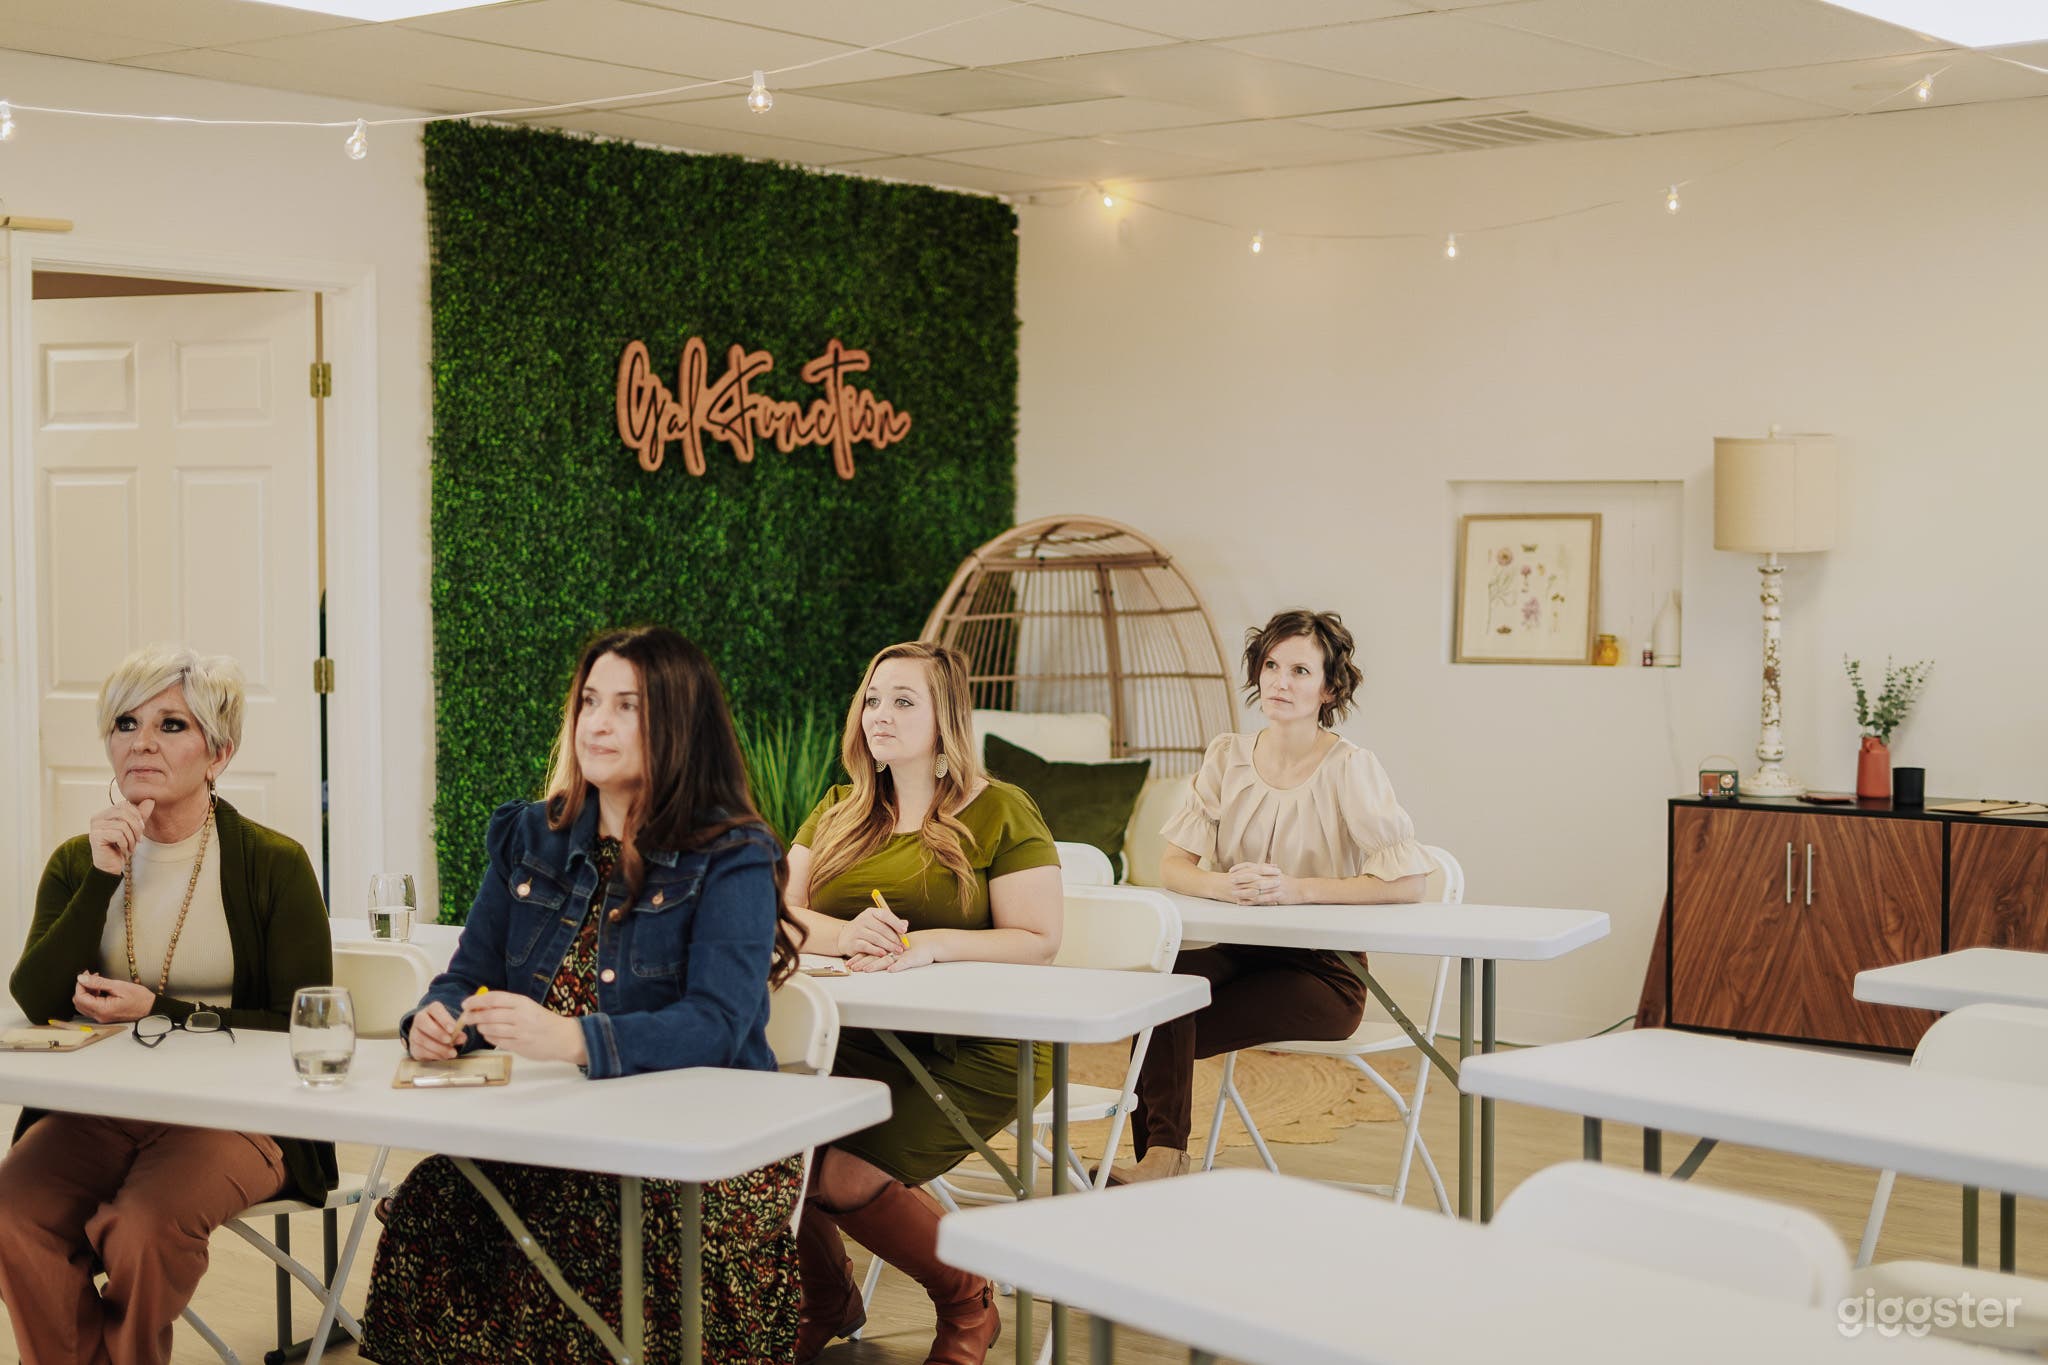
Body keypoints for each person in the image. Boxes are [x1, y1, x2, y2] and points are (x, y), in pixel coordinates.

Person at [360, 626, 805, 1365]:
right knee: (438, 1198)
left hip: (700, 1142)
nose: (596, 723)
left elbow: (719, 1025)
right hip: (550, 1128)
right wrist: (436, 1020)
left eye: (627, 706)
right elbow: (470, 973)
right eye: (589, 701)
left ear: (679, 722)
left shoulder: (732, 854)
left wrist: (573, 1040)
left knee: (591, 1228)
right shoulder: (529, 835)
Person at [0, 644, 335, 1365]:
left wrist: (161, 1008)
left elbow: (302, 1020)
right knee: (10, 1211)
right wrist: (100, 877)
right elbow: (32, 997)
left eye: (171, 724)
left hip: (238, 1110)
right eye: (126, 722)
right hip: (104, 1106)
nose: (143, 741)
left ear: (219, 752)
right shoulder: (76, 860)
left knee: (145, 1225)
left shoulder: (273, 864)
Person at [785, 641, 1062, 1365]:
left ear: (947, 721)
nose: (880, 714)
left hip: (982, 1046)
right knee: (765, 1139)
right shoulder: (839, 812)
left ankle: (966, 1297)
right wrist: (845, 932)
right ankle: (828, 1298)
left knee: (837, 1168)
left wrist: (932, 943)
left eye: (905, 701)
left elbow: (1040, 938)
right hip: (857, 1036)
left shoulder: (1001, 807)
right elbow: (774, 914)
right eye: (873, 698)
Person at [1126, 608, 1432, 1183]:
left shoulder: (1350, 768)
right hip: (1241, 952)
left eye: (1299, 670)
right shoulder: (1227, 756)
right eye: (1270, 665)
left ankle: (1160, 1165)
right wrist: (1223, 885)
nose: (1279, 681)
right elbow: (1172, 867)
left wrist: (1296, 890)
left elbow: (1409, 882)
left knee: (1162, 1021)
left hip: (1326, 972)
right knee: (1157, 996)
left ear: (1329, 686)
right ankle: (1162, 1162)